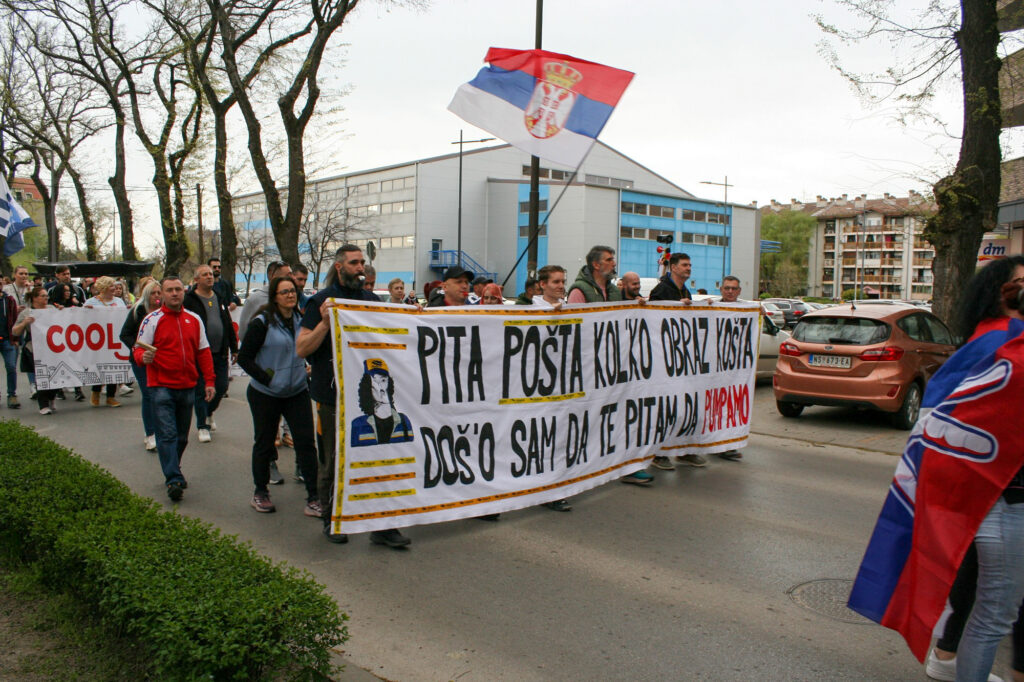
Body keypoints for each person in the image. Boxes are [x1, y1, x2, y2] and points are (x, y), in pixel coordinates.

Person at [921, 257, 1024, 682]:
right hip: (1001, 495)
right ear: (1000, 294)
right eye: (1020, 283)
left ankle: (950, 656)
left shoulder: (998, 340)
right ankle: (951, 659)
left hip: (995, 494)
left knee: (990, 599)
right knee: (995, 612)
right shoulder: (999, 343)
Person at [297, 245, 410, 548]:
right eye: (354, 263)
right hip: (332, 398)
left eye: (362, 262)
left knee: (380, 459)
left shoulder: (372, 301)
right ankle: (333, 519)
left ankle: (382, 525)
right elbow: (302, 348)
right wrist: (324, 323)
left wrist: (413, 318)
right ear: (339, 267)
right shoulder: (321, 302)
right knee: (334, 460)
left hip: (375, 398)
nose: (360, 267)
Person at [236, 276, 320, 516]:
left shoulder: (301, 321)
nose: (290, 295)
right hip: (266, 393)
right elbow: (244, 358)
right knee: (264, 443)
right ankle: (260, 492)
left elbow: (308, 347)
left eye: (293, 291)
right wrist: (268, 379)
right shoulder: (262, 323)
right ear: (274, 297)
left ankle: (314, 497)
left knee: (306, 443)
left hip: (297, 391)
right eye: (284, 292)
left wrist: (308, 366)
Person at [134, 276, 215, 502]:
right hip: (161, 386)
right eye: (169, 290)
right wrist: (143, 357)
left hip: (187, 386)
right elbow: (138, 350)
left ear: (184, 291)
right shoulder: (151, 320)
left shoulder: (194, 319)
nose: (174, 293)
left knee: (182, 437)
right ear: (161, 294)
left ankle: (174, 468)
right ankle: (173, 478)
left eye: (178, 289)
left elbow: (203, 351)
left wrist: (209, 381)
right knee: (167, 434)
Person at [648, 252, 704, 470]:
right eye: (684, 265)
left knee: (684, 408)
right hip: (663, 360)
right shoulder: (661, 290)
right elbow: (652, 319)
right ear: (673, 267)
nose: (688, 268)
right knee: (665, 409)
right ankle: (658, 453)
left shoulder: (685, 290)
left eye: (690, 265)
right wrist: (676, 306)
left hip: (680, 359)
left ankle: (683, 450)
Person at [183, 264, 237, 443]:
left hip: (220, 352)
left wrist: (234, 347)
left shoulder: (219, 297)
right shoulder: (189, 300)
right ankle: (202, 426)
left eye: (211, 274)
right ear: (196, 279)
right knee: (201, 390)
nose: (209, 277)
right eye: (205, 274)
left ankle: (208, 412)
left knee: (221, 387)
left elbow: (227, 323)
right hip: (199, 354)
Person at [120, 280, 163, 451]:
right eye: (153, 293)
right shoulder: (138, 311)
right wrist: (138, 347)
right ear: (146, 295)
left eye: (159, 293)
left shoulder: (164, 311)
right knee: (148, 394)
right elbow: (125, 334)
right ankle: (150, 433)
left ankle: (161, 430)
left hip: (160, 359)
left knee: (161, 395)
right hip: (141, 359)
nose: (157, 296)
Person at [11, 287, 58, 414]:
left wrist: (62, 311)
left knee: (55, 373)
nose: (46, 298)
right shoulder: (27, 312)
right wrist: (24, 323)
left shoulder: (51, 309)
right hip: (34, 348)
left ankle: (51, 397)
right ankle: (43, 405)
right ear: (34, 298)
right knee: (41, 375)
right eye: (43, 296)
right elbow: (15, 331)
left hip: (52, 346)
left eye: (46, 296)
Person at [83, 276, 127, 407]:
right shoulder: (91, 302)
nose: (114, 288)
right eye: (111, 286)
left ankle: (111, 396)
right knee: (99, 366)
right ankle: (96, 391)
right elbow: (81, 318)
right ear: (104, 288)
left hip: (114, 339)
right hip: (99, 340)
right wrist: (86, 312)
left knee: (113, 366)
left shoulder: (119, 301)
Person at [238, 260, 291, 341]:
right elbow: (243, 333)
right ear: (273, 276)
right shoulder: (254, 300)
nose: (292, 279)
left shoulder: (292, 298)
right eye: (288, 276)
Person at [0, 286, 19, 408]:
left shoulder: (9, 300)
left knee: (11, 367)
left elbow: (15, 319)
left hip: (8, 339)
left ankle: (12, 395)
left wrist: (16, 338)